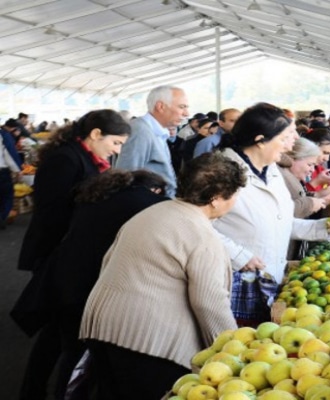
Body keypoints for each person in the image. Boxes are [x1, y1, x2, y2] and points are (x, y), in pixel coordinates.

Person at [79, 153, 244, 399]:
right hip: (147, 341)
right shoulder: (202, 234)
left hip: (103, 326)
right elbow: (209, 302)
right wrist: (232, 352)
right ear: (217, 199)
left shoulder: (152, 212)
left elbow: (110, 261)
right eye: (235, 194)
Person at [14, 109, 131, 400]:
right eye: (115, 143)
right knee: (64, 331)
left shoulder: (85, 157)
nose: (117, 150)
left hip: (69, 254)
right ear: (95, 135)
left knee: (56, 331)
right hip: (58, 253)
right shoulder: (64, 159)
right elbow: (53, 213)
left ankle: (34, 389)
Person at [213, 103, 330, 326]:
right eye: (286, 136)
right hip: (233, 282)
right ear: (260, 140)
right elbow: (195, 226)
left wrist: (323, 227)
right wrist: (238, 255)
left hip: (267, 280)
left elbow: (280, 222)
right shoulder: (220, 172)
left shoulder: (272, 171)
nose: (292, 143)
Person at [48, 169, 168, 399]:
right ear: (155, 190)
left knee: (69, 352)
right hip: (90, 288)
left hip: (64, 280)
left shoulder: (99, 197)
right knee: (83, 356)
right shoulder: (144, 203)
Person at [115, 85, 189, 198]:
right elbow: (126, 176)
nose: (186, 113)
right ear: (160, 106)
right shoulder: (140, 131)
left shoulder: (157, 131)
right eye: (181, 107)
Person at [0, 120, 22, 229]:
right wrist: (17, 170)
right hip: (1, 172)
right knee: (6, 195)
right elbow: (9, 154)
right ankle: (2, 218)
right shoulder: (3, 136)